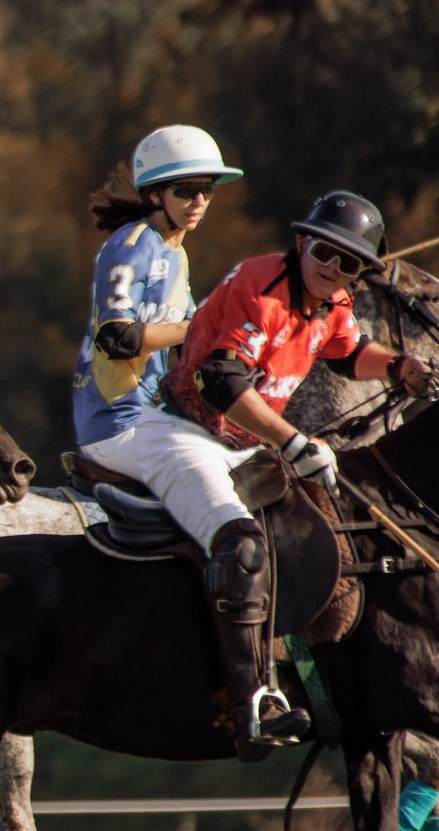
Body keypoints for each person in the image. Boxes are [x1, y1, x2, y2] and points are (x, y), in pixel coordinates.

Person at [86, 190, 429, 756]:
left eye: (349, 263)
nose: (333, 269)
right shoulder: (261, 286)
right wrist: (293, 440)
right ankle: (254, 703)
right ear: (302, 242)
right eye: (326, 253)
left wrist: (396, 367)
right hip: (183, 434)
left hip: (243, 445)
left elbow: (347, 352)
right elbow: (222, 383)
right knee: (242, 545)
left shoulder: (333, 301)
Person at [73, 126, 239, 459]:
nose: (199, 201)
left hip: (152, 416)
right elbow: (117, 339)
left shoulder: (177, 253)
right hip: (115, 420)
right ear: (153, 195)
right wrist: (201, 327)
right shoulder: (131, 246)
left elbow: (190, 343)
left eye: (207, 190)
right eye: (186, 190)